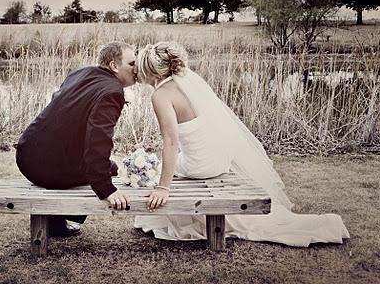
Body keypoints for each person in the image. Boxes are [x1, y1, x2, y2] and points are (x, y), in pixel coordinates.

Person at [133, 41, 350, 247]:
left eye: (139, 66)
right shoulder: (185, 84)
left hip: (200, 165)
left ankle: (181, 217)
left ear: (152, 71)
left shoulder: (161, 95)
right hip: (219, 160)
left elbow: (171, 142)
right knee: (164, 166)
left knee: (158, 170)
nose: (136, 71)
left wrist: (163, 188)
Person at [16, 41, 136, 236]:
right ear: (114, 66)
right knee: (105, 169)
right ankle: (56, 224)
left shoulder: (81, 73)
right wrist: (106, 189)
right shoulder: (112, 91)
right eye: (131, 64)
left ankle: (56, 220)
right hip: (47, 168)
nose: (136, 68)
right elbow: (99, 141)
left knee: (109, 167)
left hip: (27, 154)